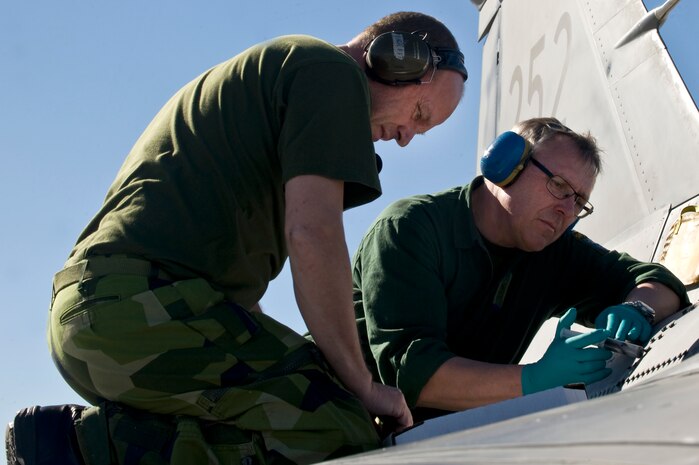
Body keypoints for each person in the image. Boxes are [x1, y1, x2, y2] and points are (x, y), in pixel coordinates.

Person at [9, 11, 468, 465]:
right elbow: (313, 233)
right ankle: (90, 450)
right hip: (131, 312)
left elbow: (238, 306)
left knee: (297, 401)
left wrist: (322, 368)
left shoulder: (287, 80)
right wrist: (362, 387)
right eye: (419, 113)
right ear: (395, 59)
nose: (407, 137)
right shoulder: (331, 74)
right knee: (338, 424)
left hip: (104, 320)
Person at [352, 117, 689, 422]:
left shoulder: (555, 253)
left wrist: (638, 308)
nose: (566, 210)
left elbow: (656, 280)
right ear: (504, 165)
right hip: (343, 423)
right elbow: (412, 374)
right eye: (558, 185)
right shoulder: (411, 228)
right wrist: (534, 379)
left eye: (579, 202)